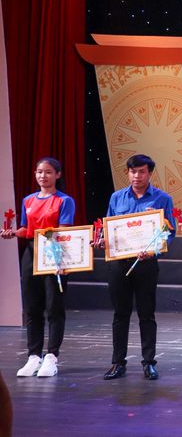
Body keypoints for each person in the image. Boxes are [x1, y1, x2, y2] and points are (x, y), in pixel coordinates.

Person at [100, 154, 175, 380]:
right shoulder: (117, 197)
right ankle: (118, 363)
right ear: (128, 173)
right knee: (120, 315)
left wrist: (155, 250)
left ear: (150, 173)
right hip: (119, 264)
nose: (137, 176)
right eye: (133, 171)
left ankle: (148, 363)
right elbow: (108, 227)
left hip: (146, 264)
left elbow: (169, 232)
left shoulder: (162, 199)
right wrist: (103, 240)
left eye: (142, 171)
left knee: (146, 314)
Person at [1, 158, 75, 378]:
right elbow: (27, 229)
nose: (43, 176)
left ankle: (52, 356)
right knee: (32, 308)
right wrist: (13, 233)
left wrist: (62, 262)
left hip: (54, 253)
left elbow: (63, 232)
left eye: (48, 172)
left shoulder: (64, 201)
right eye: (40, 172)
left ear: (58, 175)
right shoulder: (28, 200)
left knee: (54, 307)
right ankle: (34, 356)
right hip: (31, 253)